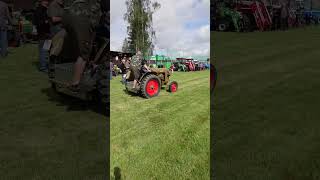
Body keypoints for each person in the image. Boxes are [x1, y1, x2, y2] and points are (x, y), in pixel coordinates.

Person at [61, 0, 102, 90]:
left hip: (69, 14)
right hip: (82, 16)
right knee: (84, 52)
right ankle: (75, 83)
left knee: (79, 47)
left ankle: (81, 69)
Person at [34, 0, 50, 72]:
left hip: (43, 33)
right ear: (43, 2)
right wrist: (47, 21)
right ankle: (43, 67)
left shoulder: (39, 9)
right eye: (46, 1)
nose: (48, 2)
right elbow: (39, 23)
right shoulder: (41, 10)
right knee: (44, 51)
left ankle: (44, 65)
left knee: (44, 51)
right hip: (44, 33)